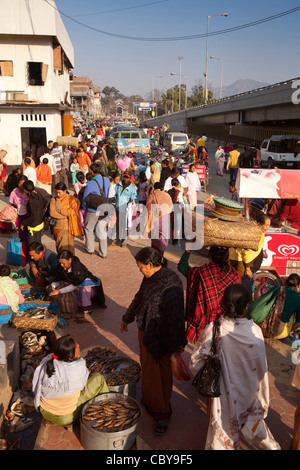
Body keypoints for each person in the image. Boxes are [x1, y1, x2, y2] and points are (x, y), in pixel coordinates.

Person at [190, 284, 274, 451]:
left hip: (224, 396)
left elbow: (195, 363)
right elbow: (261, 367)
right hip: (251, 393)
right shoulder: (255, 332)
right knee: (254, 427)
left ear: (224, 304)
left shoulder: (214, 329)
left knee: (223, 434)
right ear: (247, 306)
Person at [120, 247, 187, 435]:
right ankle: (151, 402)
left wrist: (177, 346)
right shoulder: (149, 278)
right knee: (149, 371)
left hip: (163, 337)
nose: (140, 270)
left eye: (141, 267)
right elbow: (139, 296)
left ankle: (162, 413)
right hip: (147, 333)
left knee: (162, 374)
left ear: (151, 264)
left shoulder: (172, 283)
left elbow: (176, 317)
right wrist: (127, 317)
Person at [32, 334, 109, 426]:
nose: (79, 345)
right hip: (65, 417)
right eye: (77, 346)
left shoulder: (48, 360)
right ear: (70, 356)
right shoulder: (77, 369)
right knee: (98, 378)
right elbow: (82, 384)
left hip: (44, 411)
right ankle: (107, 406)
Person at [178, 246, 242, 343]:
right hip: (226, 327)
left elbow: (182, 266)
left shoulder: (201, 273)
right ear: (227, 257)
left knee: (203, 354)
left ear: (210, 255)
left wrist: (189, 249)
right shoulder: (235, 276)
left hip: (204, 325)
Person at [229, 213, 271, 296]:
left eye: (269, 225)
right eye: (265, 225)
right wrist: (248, 269)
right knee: (246, 292)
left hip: (250, 268)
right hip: (247, 268)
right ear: (259, 223)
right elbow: (247, 252)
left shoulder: (258, 230)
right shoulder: (254, 233)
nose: (267, 228)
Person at [252, 273, 300, 340]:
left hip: (262, 328)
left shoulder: (276, 289)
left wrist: (259, 288)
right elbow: (298, 324)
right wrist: (289, 330)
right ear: (298, 286)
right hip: (280, 333)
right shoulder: (298, 299)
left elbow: (258, 301)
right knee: (291, 312)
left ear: (286, 282)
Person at [82, 162, 111, 257]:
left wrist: (84, 207)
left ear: (91, 171)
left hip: (93, 209)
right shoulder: (106, 180)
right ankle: (103, 252)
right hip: (104, 208)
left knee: (89, 228)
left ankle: (90, 248)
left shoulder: (90, 183)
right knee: (102, 230)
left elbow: (85, 198)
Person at [50, 182, 84, 255]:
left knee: (68, 248)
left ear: (65, 190)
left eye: (59, 192)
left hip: (68, 227)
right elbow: (52, 213)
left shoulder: (71, 199)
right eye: (56, 193)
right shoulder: (54, 199)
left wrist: (60, 211)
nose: (58, 194)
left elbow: (73, 212)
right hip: (57, 227)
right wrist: (64, 216)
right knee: (59, 247)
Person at [146, 182, 173, 256]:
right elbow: (171, 206)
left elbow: (148, 206)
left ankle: (155, 252)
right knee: (164, 235)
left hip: (156, 216)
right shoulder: (166, 194)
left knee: (155, 234)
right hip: (165, 217)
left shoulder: (153, 194)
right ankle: (161, 253)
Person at [21, 180, 48, 244]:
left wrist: (23, 223)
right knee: (38, 243)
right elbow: (45, 202)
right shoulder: (38, 194)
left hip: (33, 225)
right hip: (40, 223)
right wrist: (40, 211)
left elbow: (33, 216)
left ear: (25, 190)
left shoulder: (32, 200)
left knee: (32, 245)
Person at [114, 173, 137, 247]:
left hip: (126, 210)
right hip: (118, 208)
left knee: (125, 226)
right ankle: (117, 240)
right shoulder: (118, 185)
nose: (125, 179)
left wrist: (131, 202)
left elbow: (134, 198)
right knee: (117, 225)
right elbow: (115, 195)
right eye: (124, 177)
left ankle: (124, 241)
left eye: (127, 177)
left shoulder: (132, 188)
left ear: (130, 178)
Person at [9, 175, 29, 242]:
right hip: (20, 215)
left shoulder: (29, 191)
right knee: (21, 232)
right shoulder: (14, 192)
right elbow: (12, 202)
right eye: (20, 184)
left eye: (23, 184)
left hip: (29, 215)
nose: (21, 186)